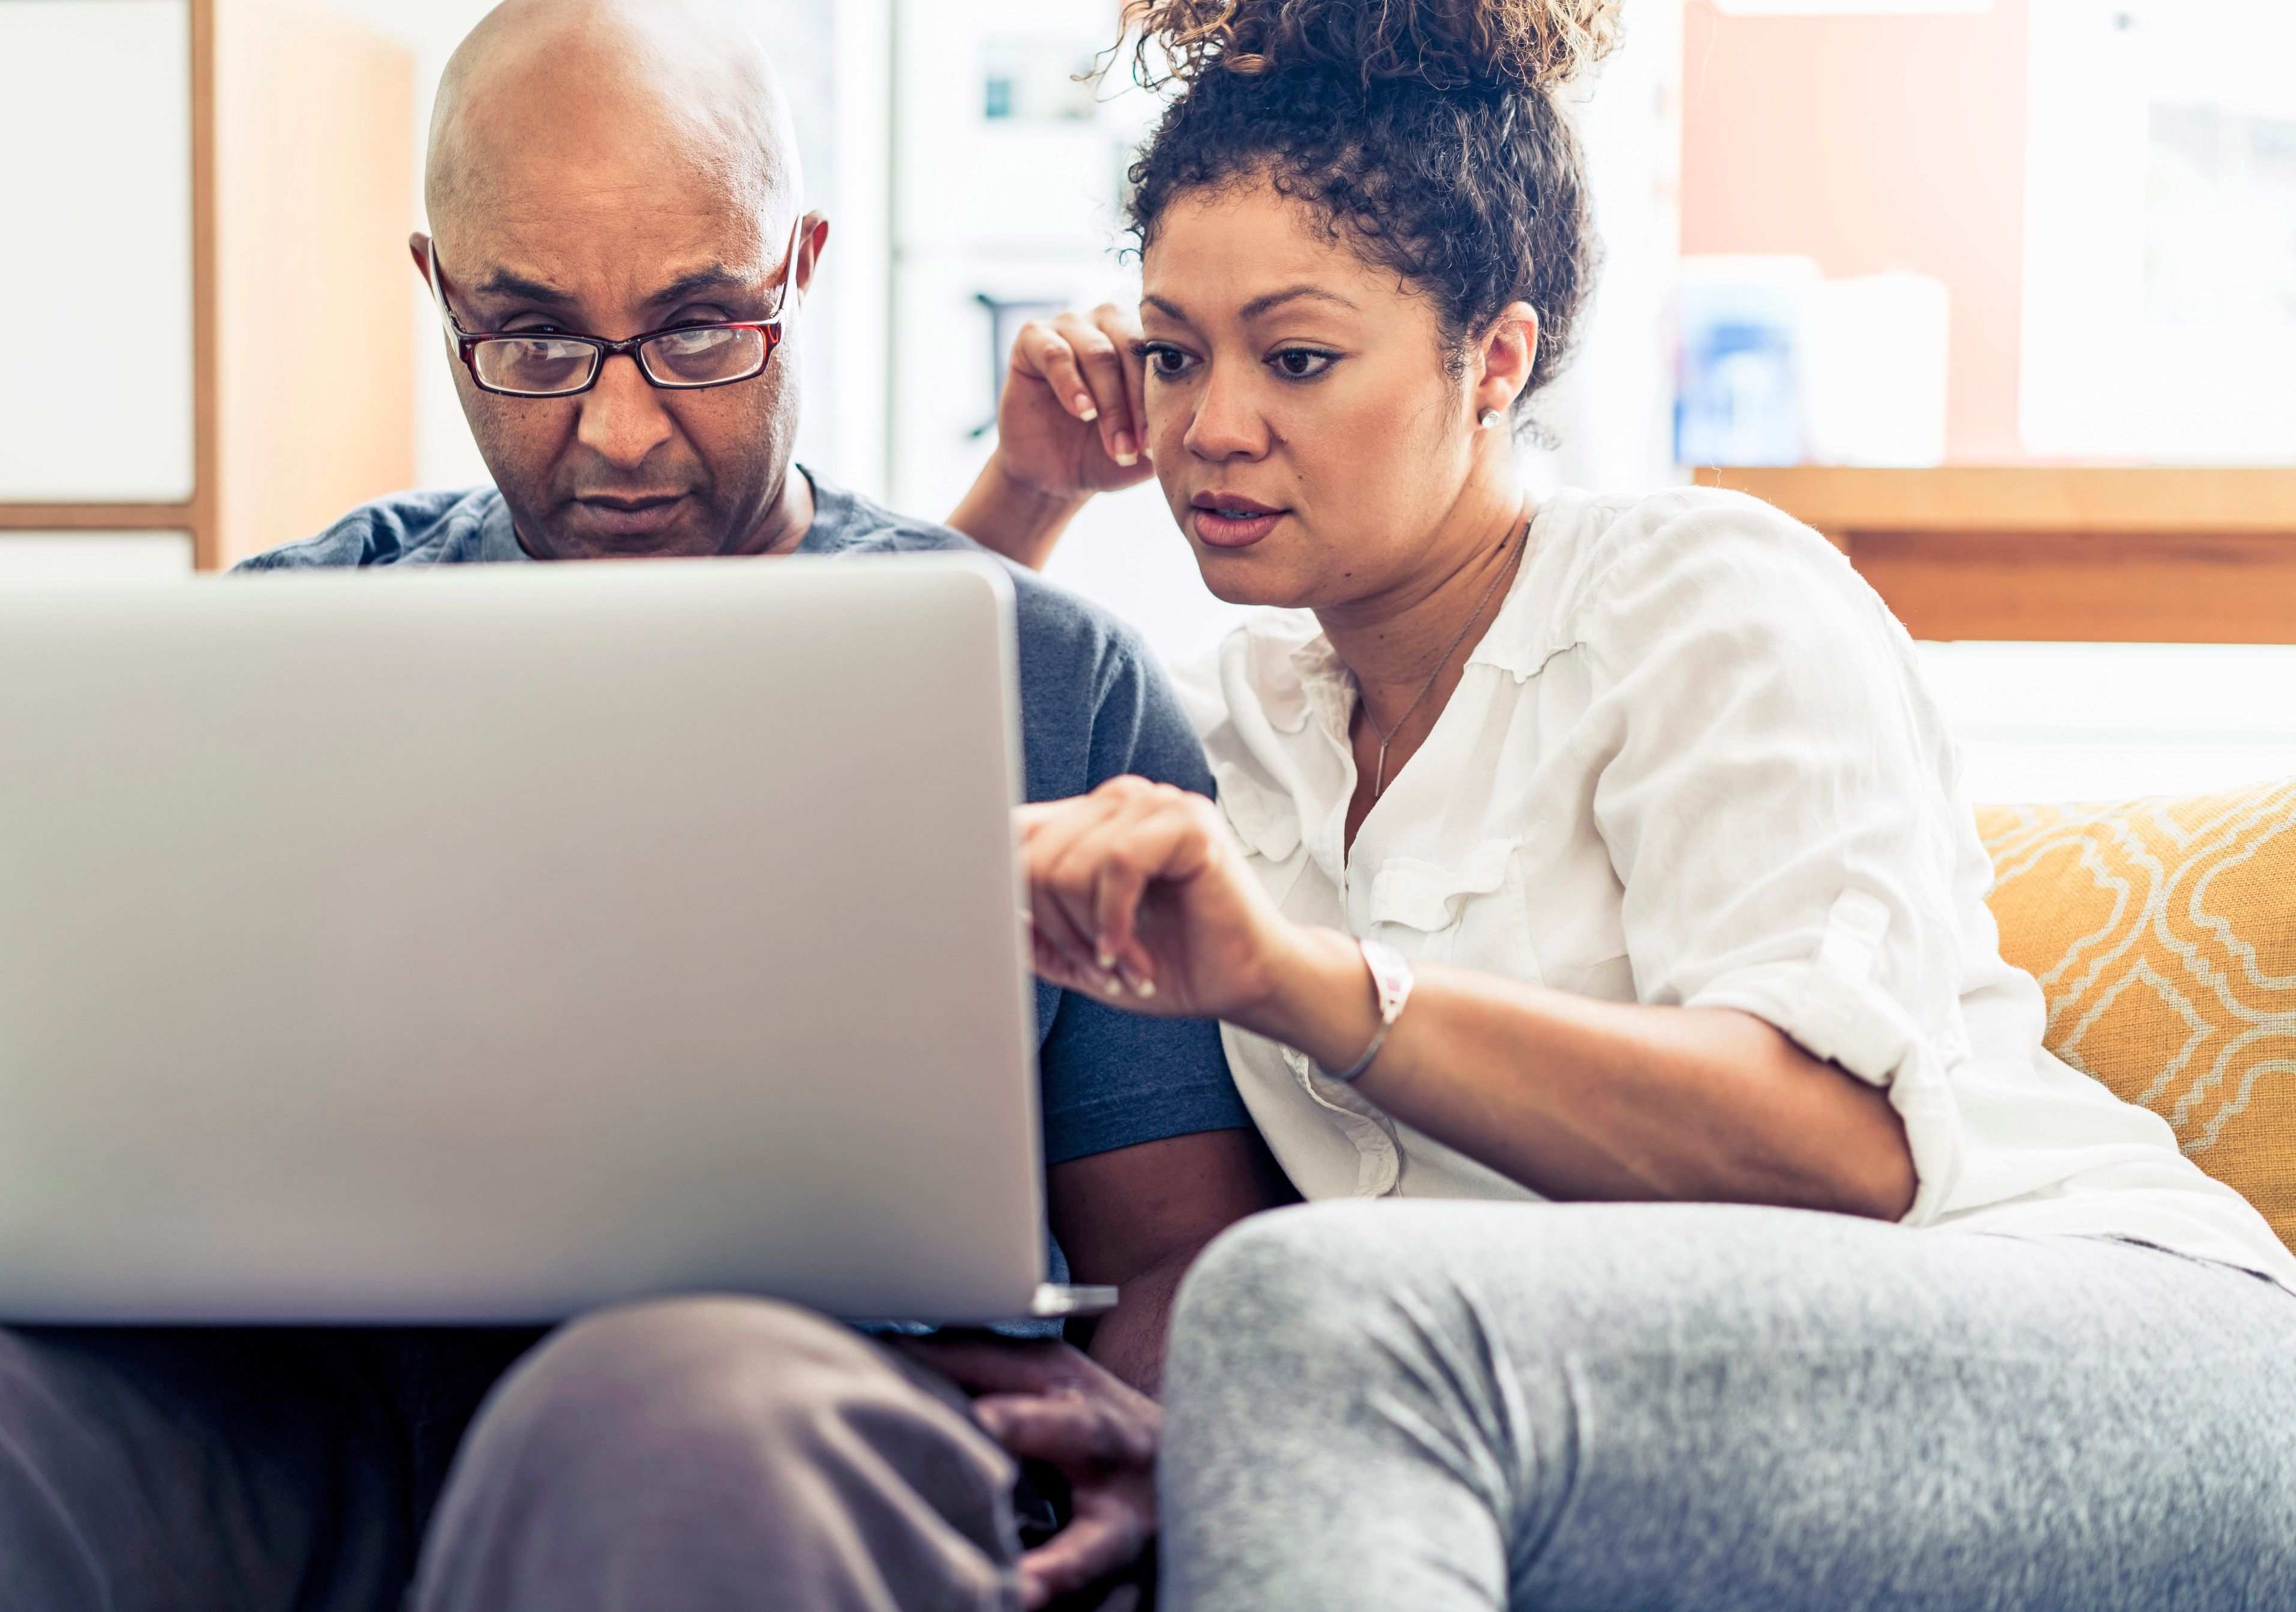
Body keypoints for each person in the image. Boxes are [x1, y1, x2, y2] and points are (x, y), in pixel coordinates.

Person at [0, 3, 1287, 1609]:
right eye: (528, 342)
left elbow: (1170, 1247)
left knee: (659, 1413)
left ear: (798, 269)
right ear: (438, 296)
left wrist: (1137, 1432)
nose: (619, 430)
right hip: (294, 1431)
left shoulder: (1052, 684)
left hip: (775, 1432)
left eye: (698, 331)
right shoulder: (269, 648)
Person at [950, 0, 2296, 1607]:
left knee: (1309, 1307)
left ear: (1494, 360)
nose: (1210, 428)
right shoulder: (1249, 726)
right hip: (1607, 1400)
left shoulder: (1704, 594)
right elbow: (903, 775)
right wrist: (1026, 486)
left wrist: (1304, 983)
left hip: (2096, 1337)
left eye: (1296, 357)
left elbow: (1843, 1151)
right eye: (1172, 354)